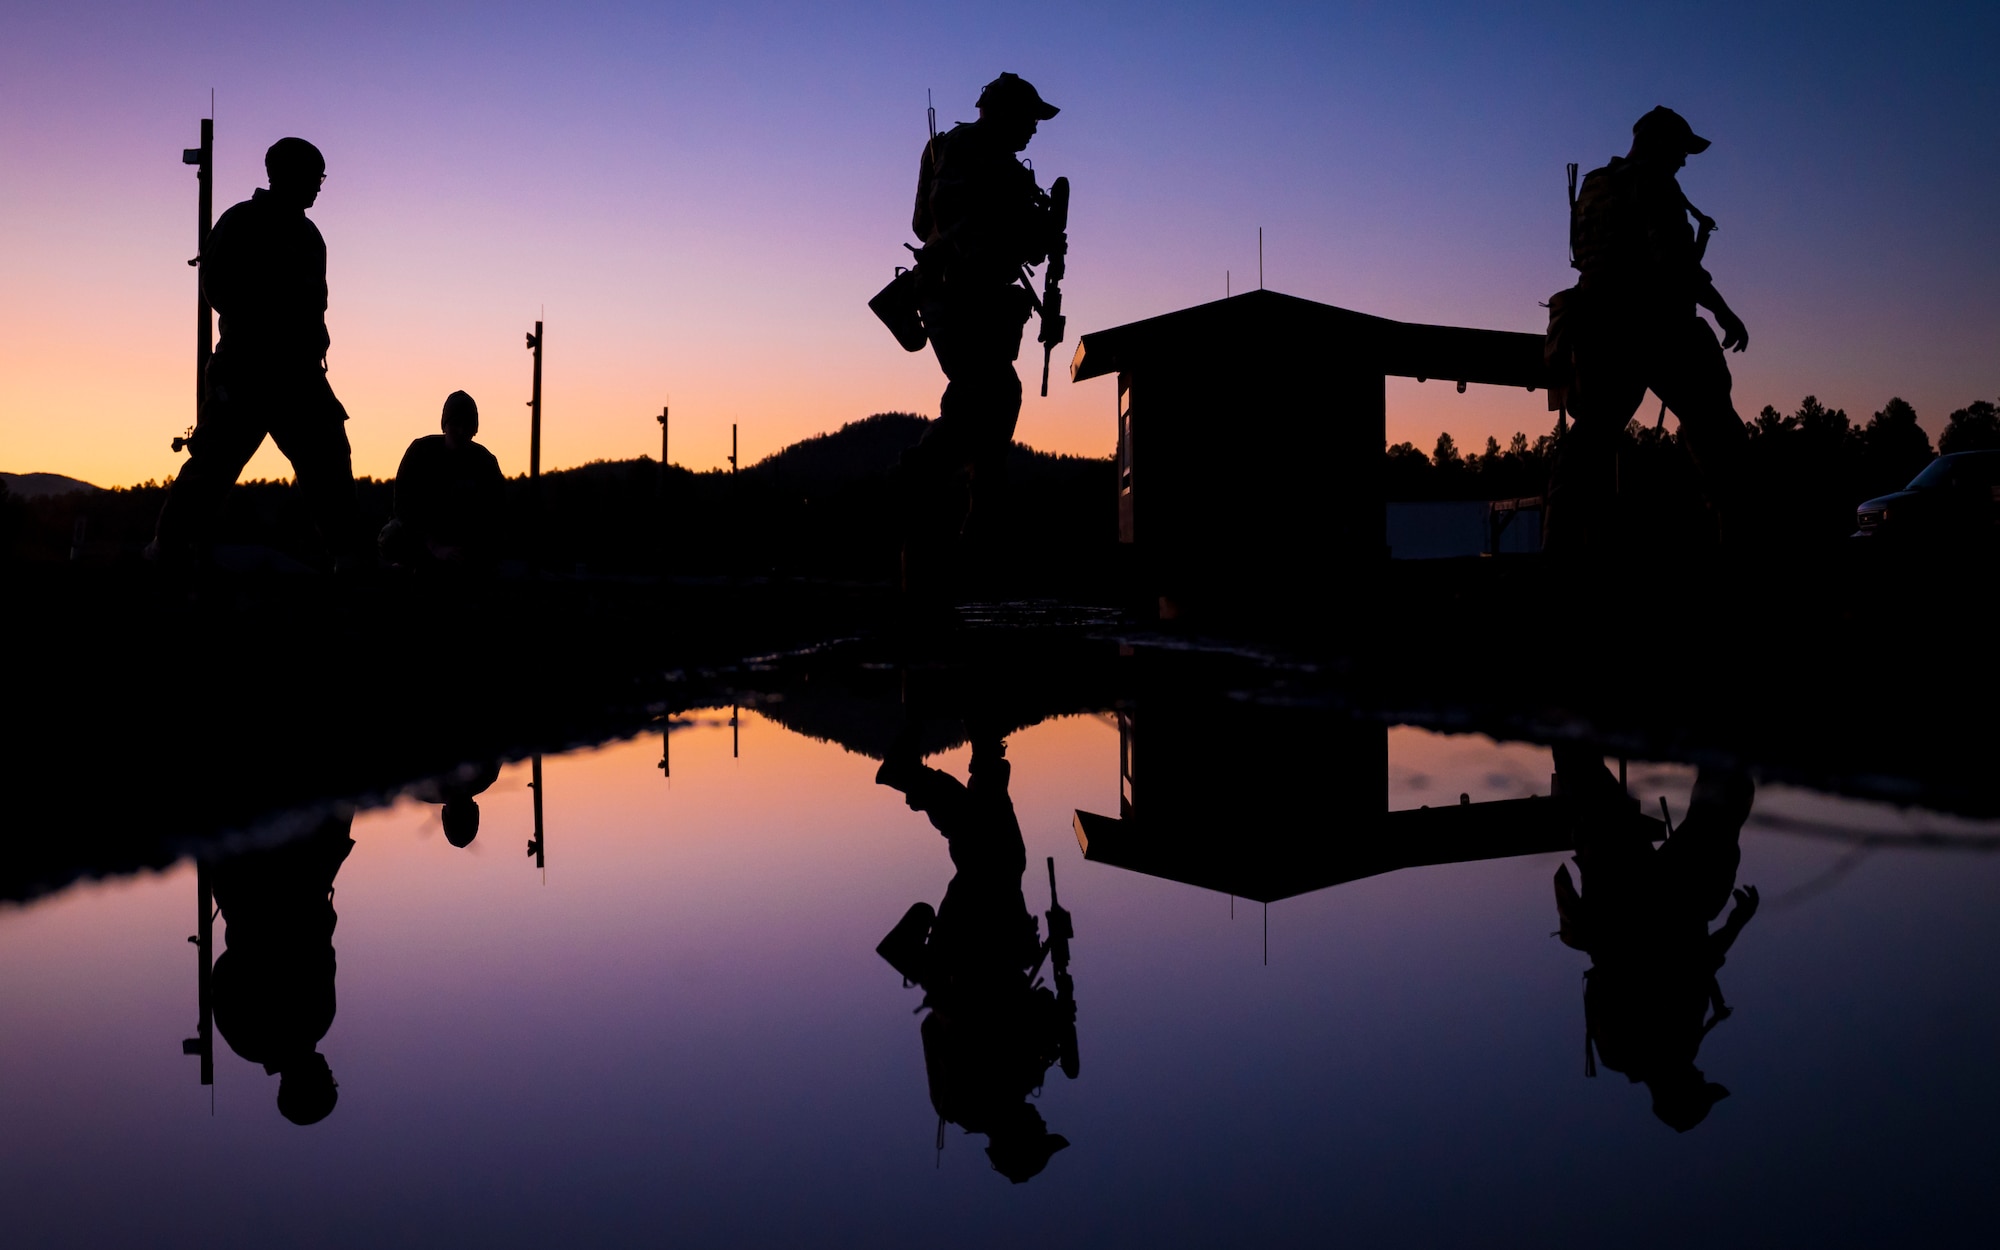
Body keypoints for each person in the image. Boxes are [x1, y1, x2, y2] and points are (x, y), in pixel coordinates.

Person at [874, 725, 1078, 1183]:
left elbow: (957, 1024)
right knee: (999, 850)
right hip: (987, 948)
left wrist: (1044, 1021)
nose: (1040, 1123)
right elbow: (1031, 1011)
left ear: (1016, 1140)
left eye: (1037, 1133)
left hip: (968, 953)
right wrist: (1056, 1013)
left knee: (992, 853)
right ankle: (980, 755)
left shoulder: (976, 1099)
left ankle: (922, 773)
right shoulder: (1007, 1087)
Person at [1544, 108, 1753, 554]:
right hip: (1654, 327)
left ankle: (1555, 554)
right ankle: (1739, 551)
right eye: (1680, 150)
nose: (1683, 161)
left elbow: (1584, 257)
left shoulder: (1594, 185)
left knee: (1586, 444)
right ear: (1658, 143)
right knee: (1720, 440)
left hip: (1598, 326)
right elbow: (1677, 263)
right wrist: (1723, 311)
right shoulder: (1656, 183)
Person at [151, 137, 357, 569]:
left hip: (299, 375)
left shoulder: (310, 237)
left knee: (329, 460)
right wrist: (266, 320)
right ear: (286, 176)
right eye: (314, 177)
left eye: (322, 177)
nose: (319, 186)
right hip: (245, 371)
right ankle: (167, 552)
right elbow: (217, 287)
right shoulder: (241, 222)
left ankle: (349, 557)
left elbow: (315, 303)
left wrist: (313, 341)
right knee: (212, 467)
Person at [898, 73, 1064, 594]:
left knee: (993, 398)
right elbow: (943, 222)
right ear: (1002, 112)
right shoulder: (964, 149)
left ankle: (977, 529)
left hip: (980, 298)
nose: (1034, 130)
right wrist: (1010, 232)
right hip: (955, 293)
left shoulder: (1005, 167)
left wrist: (1032, 234)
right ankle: (923, 484)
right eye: (1029, 119)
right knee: (985, 392)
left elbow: (1019, 242)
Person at [1550, 745, 1759, 1131]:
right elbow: (1699, 963)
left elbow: (1692, 965)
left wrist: (1735, 924)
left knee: (1593, 789)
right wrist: (1734, 923)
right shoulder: (1670, 1047)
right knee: (1720, 809)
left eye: (1696, 1085)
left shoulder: (1631, 1050)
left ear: (1678, 1092)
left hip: (1629, 901)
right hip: (1670, 902)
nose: (1699, 1075)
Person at [210, 809, 355, 1125]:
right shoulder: (246, 1043)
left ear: (314, 1083)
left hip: (294, 881)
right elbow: (221, 974)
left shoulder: (317, 1020)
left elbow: (320, 948)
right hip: (237, 889)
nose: (331, 1073)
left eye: (329, 1081)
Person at [378, 391, 505, 569]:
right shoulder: (420, 452)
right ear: (444, 426)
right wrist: (435, 547)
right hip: (422, 534)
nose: (461, 431)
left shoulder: (485, 461)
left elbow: (498, 512)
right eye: (455, 423)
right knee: (393, 536)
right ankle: (409, 566)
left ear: (475, 429)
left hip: (463, 535)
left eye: (467, 425)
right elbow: (403, 508)